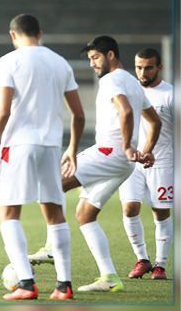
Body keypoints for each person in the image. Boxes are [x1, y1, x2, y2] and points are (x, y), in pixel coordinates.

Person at [0, 14, 85, 301]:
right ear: (40, 33)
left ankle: (26, 283)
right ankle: (64, 286)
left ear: (13, 35)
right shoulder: (59, 62)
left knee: (8, 212)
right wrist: (72, 149)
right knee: (54, 213)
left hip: (18, 145)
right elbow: (78, 114)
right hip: (51, 146)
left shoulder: (8, 62)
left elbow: (3, 111)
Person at [63, 36, 161, 292]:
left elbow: (126, 111)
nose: (93, 64)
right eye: (90, 59)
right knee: (85, 215)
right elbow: (155, 121)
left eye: (95, 58)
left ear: (110, 55)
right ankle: (109, 277)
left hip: (109, 153)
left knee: (52, 184)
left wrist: (128, 146)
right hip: (123, 164)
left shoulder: (111, 80)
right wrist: (145, 151)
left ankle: (52, 249)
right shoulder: (132, 80)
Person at [118, 48, 173, 280]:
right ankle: (142, 259)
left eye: (148, 67)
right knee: (129, 208)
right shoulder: (130, 92)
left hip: (162, 161)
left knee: (160, 212)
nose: (142, 72)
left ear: (159, 67)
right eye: (138, 67)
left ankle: (160, 265)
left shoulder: (170, 94)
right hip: (132, 161)